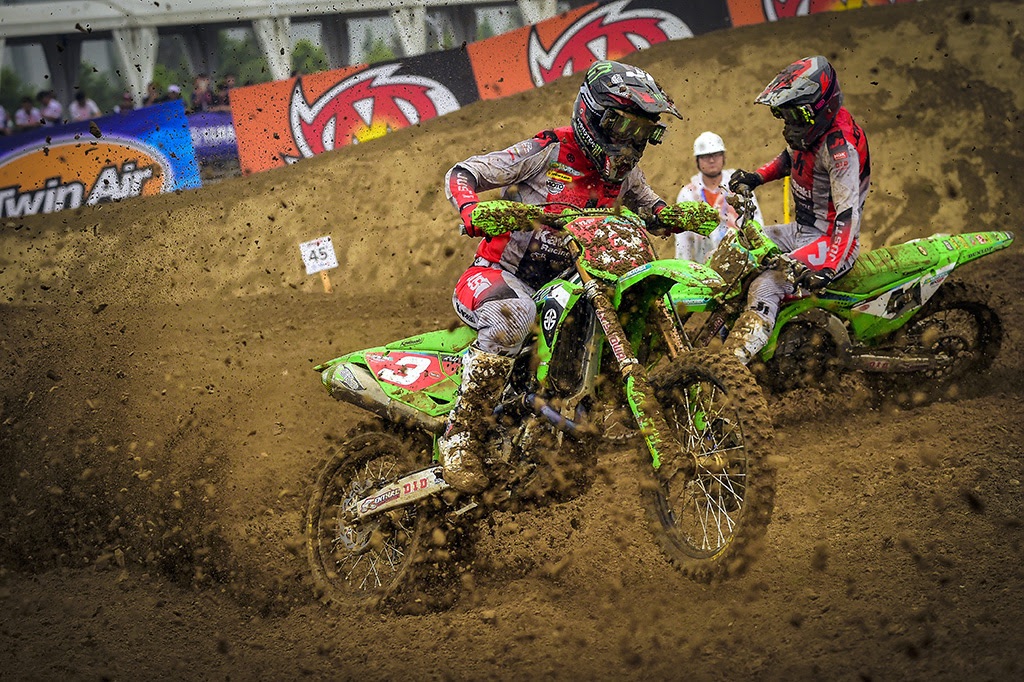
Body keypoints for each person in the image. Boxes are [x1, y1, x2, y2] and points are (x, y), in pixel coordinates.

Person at [439, 60, 720, 493]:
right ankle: (460, 436)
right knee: (516, 314)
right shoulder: (548, 151)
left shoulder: (625, 174)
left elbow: (651, 207)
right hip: (500, 276)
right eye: (624, 127)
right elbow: (463, 172)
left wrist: (674, 216)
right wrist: (472, 208)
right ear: (594, 115)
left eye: (643, 133)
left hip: (574, 284)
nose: (631, 143)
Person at [725, 55, 870, 365]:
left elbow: (847, 215)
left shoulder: (839, 148)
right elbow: (790, 159)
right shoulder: (809, 130)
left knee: (766, 285)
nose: (790, 123)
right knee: (737, 250)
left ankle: (731, 366)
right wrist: (756, 177)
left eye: (796, 114)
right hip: (802, 231)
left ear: (822, 106)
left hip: (831, 241)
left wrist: (830, 266)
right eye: (785, 114)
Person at [675, 131, 764, 263]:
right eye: (705, 156)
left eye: (716, 155)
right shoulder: (688, 194)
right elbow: (683, 240)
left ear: (723, 157)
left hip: (742, 260)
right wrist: (682, 266)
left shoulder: (739, 187)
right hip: (705, 265)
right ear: (697, 160)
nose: (711, 160)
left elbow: (757, 222)